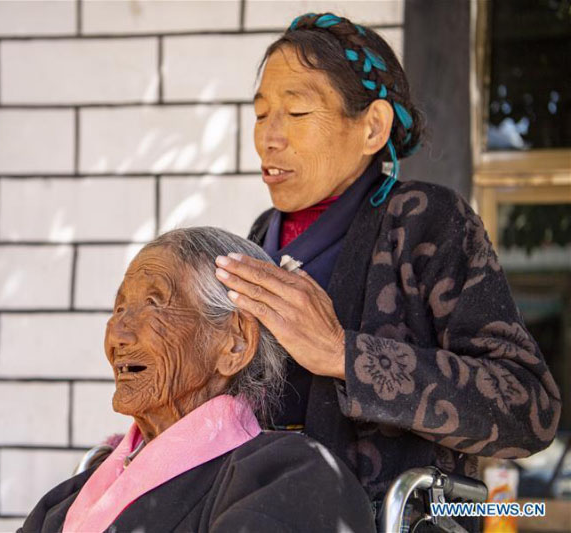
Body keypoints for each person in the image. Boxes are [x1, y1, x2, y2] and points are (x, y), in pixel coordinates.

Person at [212, 11, 561, 520]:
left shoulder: (427, 222)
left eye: (298, 113)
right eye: (262, 114)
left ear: (373, 127)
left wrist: (341, 354)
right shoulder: (259, 234)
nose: (269, 138)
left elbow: (527, 406)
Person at [19, 227, 375, 533]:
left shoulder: (289, 477)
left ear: (235, 343)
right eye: (119, 309)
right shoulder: (66, 501)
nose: (119, 335)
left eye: (155, 304)